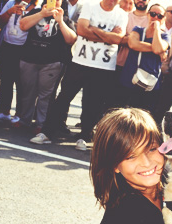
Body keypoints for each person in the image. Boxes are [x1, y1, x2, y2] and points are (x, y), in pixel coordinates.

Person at [44, 0, 128, 150]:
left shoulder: (122, 14)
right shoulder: (90, 6)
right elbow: (81, 30)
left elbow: (117, 39)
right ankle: (47, 132)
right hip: (80, 62)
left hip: (104, 67)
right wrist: (107, 36)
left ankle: (84, 136)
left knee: (93, 104)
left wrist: (94, 29)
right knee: (63, 98)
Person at [21, 2, 77, 145]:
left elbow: (71, 39)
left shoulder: (63, 16)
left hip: (52, 62)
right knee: (27, 91)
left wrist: (60, 21)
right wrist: (41, 14)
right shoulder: (37, 11)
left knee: (46, 95)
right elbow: (23, 25)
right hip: (29, 58)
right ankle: (24, 120)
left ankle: (41, 124)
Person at [0, 0, 35, 123]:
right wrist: (10, 11)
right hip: (8, 45)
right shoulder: (11, 2)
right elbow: (0, 21)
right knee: (5, 79)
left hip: (26, 48)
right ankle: (4, 111)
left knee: (22, 82)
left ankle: (20, 114)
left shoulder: (40, 5)